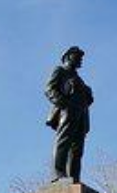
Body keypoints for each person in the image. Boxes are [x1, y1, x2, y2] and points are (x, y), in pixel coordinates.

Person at [45, 46, 94, 183]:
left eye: (81, 57)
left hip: (81, 114)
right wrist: (64, 104)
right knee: (63, 141)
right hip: (67, 111)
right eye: (77, 56)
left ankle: (74, 177)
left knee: (77, 149)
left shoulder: (79, 79)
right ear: (68, 56)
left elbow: (87, 99)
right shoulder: (60, 70)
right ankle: (58, 173)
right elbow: (49, 89)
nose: (80, 59)